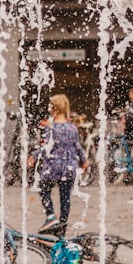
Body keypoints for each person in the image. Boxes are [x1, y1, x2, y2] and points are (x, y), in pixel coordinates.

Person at [31, 94, 87, 234]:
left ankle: (51, 216)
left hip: (53, 166)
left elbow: (47, 147)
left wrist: (34, 157)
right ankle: (62, 226)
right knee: (65, 197)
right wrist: (84, 161)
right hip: (68, 167)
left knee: (42, 187)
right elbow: (77, 146)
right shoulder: (72, 128)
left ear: (53, 109)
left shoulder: (51, 128)